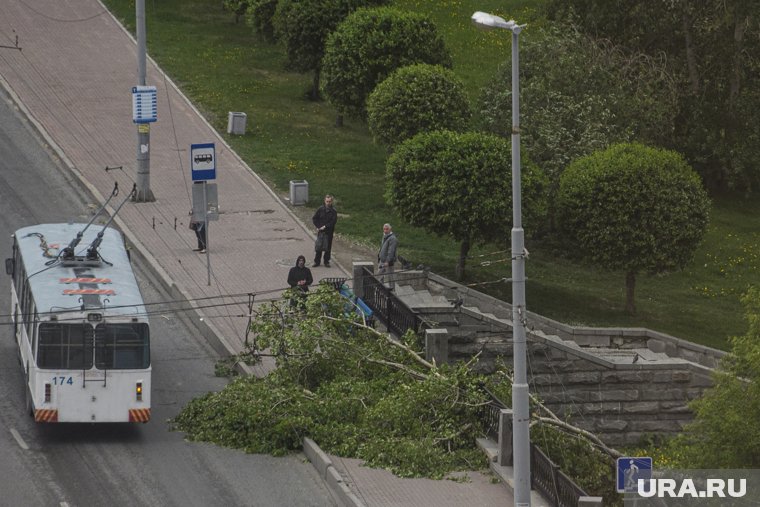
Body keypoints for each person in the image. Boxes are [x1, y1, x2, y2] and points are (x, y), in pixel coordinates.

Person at [312, 194, 337, 267]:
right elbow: (315, 218)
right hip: (321, 231)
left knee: (328, 247)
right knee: (319, 246)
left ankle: (326, 261)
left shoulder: (333, 211)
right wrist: (318, 226)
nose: (328, 203)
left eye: (329, 201)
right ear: (324, 201)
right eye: (327, 201)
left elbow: (333, 221)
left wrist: (325, 226)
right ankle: (317, 261)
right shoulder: (320, 209)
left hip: (329, 232)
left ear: (331, 202)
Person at [377, 223, 398, 289]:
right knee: (379, 276)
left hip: (388, 262)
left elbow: (391, 251)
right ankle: (380, 290)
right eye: (384, 229)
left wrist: (388, 261)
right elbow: (382, 247)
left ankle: (393, 292)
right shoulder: (385, 236)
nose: (385, 230)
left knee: (390, 277)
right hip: (382, 260)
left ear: (390, 229)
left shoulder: (392, 238)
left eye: (387, 229)